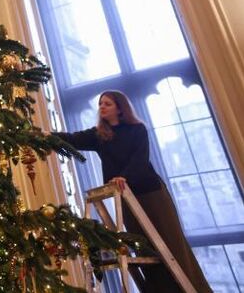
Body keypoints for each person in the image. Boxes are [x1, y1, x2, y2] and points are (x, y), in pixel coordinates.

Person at [53, 90, 212, 293]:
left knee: (170, 244)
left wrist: (124, 176)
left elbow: (140, 159)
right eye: (100, 103)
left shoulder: (137, 130)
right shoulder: (99, 135)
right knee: (142, 246)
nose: (102, 107)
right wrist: (48, 136)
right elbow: (73, 139)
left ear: (120, 108)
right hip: (126, 197)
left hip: (150, 194)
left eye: (107, 103)